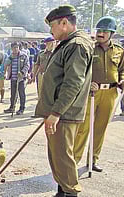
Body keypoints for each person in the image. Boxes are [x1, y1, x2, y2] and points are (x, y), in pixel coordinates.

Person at [35, 5, 94, 197]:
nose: (50, 31)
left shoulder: (76, 45)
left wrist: (56, 113)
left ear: (64, 22)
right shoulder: (68, 43)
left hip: (64, 114)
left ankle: (71, 193)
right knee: (57, 157)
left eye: (52, 26)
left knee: (63, 157)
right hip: (60, 112)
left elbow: (72, 83)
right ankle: (62, 191)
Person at [73, 16, 124, 173]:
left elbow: (122, 70)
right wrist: (89, 84)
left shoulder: (119, 51)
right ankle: (74, 160)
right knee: (83, 128)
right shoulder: (89, 49)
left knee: (100, 128)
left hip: (110, 93)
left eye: (104, 31)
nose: (100, 33)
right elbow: (80, 72)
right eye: (99, 30)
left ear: (112, 34)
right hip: (91, 93)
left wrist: (122, 80)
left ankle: (93, 159)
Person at [4, 42, 29, 115]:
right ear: (11, 48)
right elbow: (6, 64)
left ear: (19, 48)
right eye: (14, 48)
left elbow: (27, 65)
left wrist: (22, 72)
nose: (15, 49)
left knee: (21, 94)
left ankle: (21, 108)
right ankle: (12, 107)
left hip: (21, 79)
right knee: (13, 94)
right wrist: (10, 58)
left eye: (16, 47)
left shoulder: (23, 56)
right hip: (13, 78)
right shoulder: (10, 56)